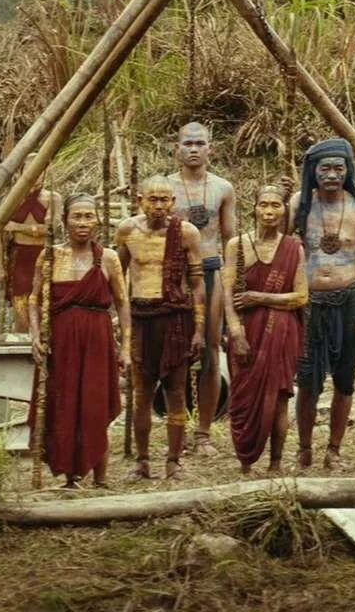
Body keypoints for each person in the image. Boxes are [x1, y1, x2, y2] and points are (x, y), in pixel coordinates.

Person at [288, 138, 355, 471]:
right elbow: (280, 244)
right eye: (325, 168)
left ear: (348, 171)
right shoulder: (300, 203)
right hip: (309, 301)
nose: (332, 175)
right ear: (313, 170)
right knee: (307, 378)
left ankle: (334, 450)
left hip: (349, 297)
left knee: (345, 377)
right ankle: (304, 448)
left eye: (339, 168)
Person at [32, 194, 129, 488]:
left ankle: (100, 479)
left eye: (89, 216)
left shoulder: (108, 258)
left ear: (97, 220)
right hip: (60, 342)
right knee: (64, 402)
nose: (83, 223)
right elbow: (35, 300)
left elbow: (122, 303)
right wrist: (35, 335)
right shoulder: (50, 256)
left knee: (94, 404)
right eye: (77, 216)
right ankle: (70, 476)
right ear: (65, 221)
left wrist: (126, 346)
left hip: (97, 341)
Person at [114, 178, 204, 481]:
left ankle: (173, 461)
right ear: (140, 200)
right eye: (152, 199)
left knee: (175, 392)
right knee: (141, 393)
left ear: (173, 202)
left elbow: (197, 284)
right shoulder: (127, 230)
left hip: (175, 319)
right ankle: (142, 461)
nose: (158, 206)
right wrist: (119, 321)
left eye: (165, 200)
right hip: (141, 317)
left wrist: (199, 329)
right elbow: (116, 279)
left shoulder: (187, 233)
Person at [222, 185, 307, 475]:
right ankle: (245, 462)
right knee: (242, 396)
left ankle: (276, 463)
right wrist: (235, 332)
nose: (269, 212)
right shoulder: (236, 245)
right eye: (264, 205)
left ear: (285, 211)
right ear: (254, 209)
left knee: (279, 398)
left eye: (276, 206)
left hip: (281, 332)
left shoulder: (294, 248)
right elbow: (228, 292)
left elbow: (301, 297)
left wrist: (259, 297)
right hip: (246, 330)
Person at [164, 122, 237, 458]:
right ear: (176, 148)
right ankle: (175, 428)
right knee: (172, 353)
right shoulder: (164, 188)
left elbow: (230, 241)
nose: (193, 149)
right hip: (173, 275)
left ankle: (204, 433)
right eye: (188, 143)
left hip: (210, 271)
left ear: (211, 148)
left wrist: (231, 283)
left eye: (199, 143)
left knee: (210, 350)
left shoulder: (223, 188)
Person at [4, 153, 60, 335]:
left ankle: (43, 341)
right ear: (21, 172)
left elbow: (50, 229)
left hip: (43, 255)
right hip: (18, 256)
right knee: (20, 304)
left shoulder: (53, 198)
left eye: (39, 170)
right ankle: (22, 341)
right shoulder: (12, 198)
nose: (35, 174)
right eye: (29, 169)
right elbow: (0, 232)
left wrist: (18, 227)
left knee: (44, 302)